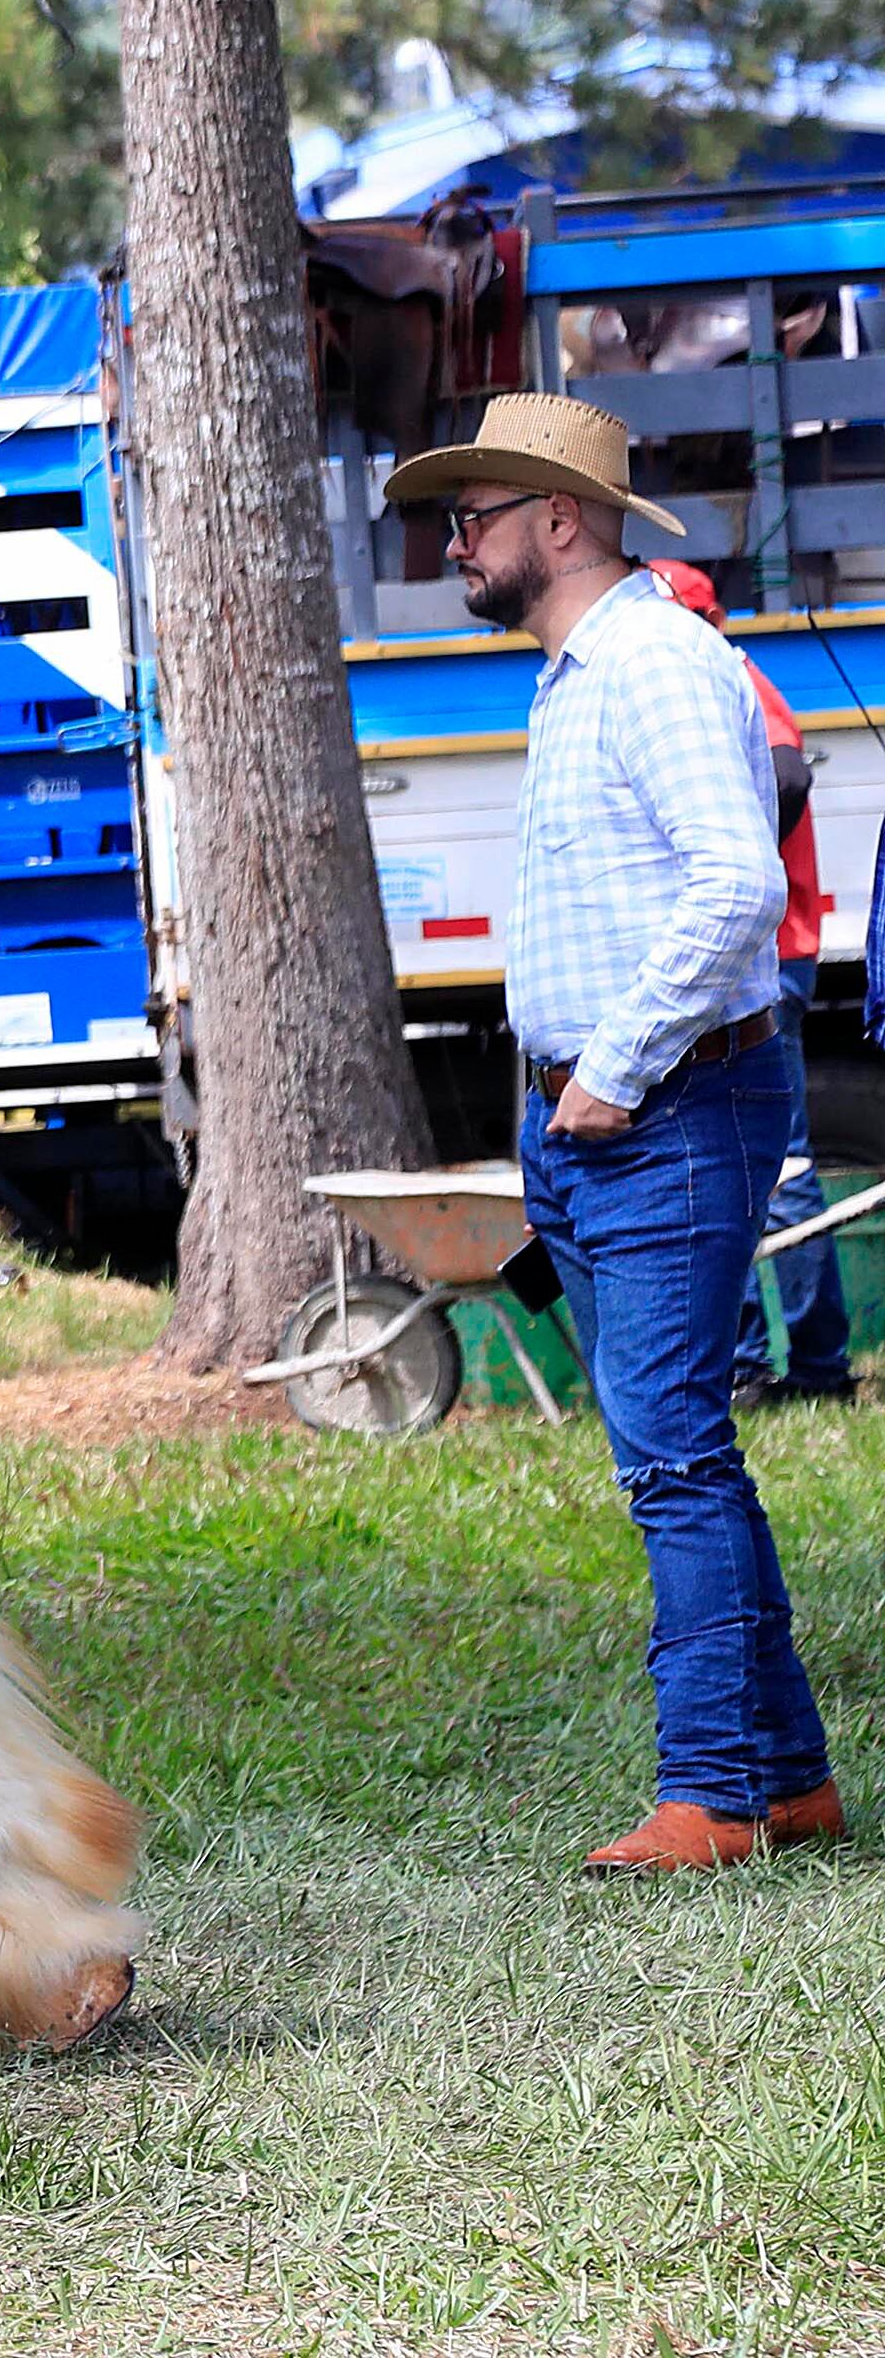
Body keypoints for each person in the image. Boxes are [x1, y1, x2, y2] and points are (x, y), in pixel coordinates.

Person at [382, 394, 844, 1871]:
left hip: (663, 1107)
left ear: (559, 521)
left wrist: (615, 1073)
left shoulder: (650, 663)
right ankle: (788, 1784)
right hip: (599, 1118)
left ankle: (710, 1796)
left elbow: (734, 889)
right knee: (682, 1450)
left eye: (477, 515)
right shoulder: (582, 673)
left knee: (672, 1460)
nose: (455, 540)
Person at [647, 566, 855, 1401]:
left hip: (767, 959)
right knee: (739, 1168)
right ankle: (757, 1366)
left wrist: (731, 851)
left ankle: (812, 1367)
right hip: (756, 959)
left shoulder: (728, 674)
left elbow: (791, 777)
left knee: (774, 1169)